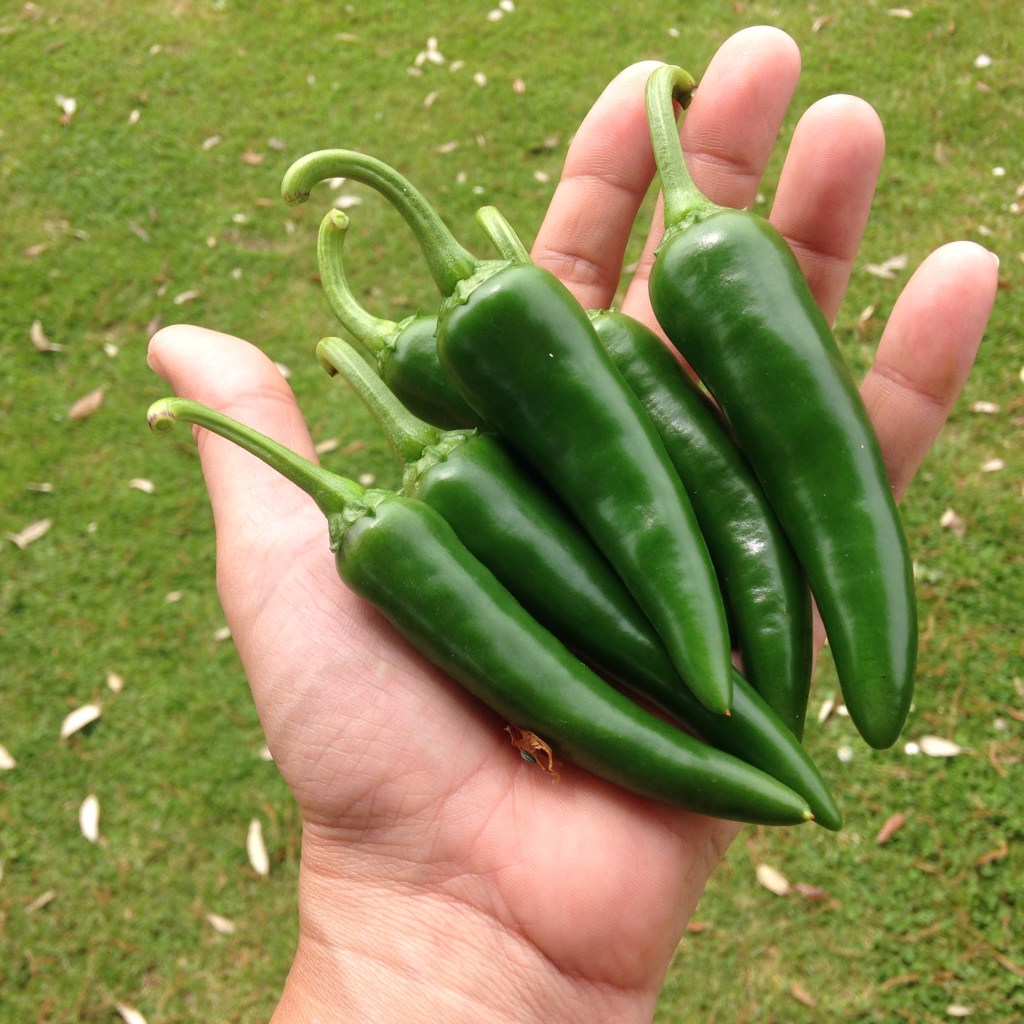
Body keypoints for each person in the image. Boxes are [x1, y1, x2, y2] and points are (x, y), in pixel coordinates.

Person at [147, 26, 998, 1024]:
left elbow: (748, 491)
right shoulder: (436, 493)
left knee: (711, 573)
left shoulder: (575, 350)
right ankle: (751, 728)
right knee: (672, 603)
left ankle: (749, 720)